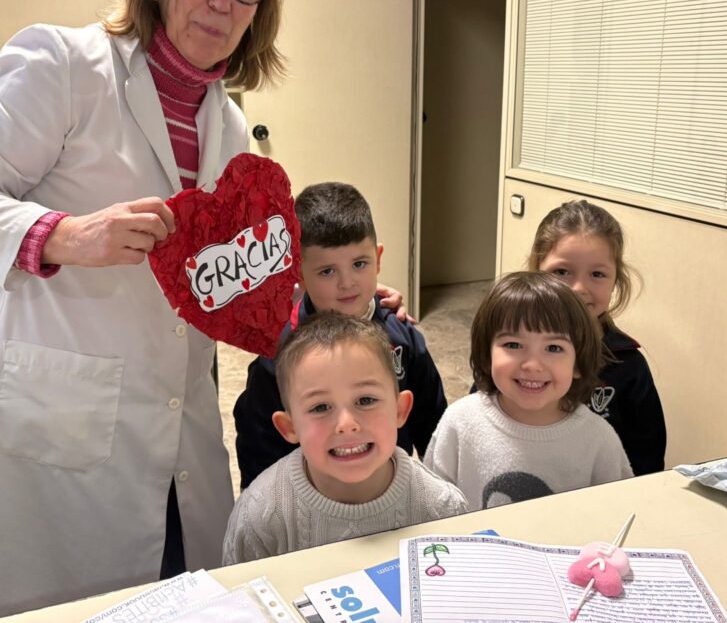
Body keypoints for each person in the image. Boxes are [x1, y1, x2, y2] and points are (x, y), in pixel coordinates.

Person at [0, 0, 293, 622]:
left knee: (181, 591)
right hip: (65, 405)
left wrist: (334, 299)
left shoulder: (231, 125)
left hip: (180, 407)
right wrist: (62, 235)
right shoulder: (64, 65)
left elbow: (228, 274)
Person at [233, 182, 447, 490]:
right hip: (309, 503)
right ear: (299, 275)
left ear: (378, 258)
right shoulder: (277, 358)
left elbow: (434, 426)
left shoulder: (403, 338)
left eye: (359, 264)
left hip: (391, 494)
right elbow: (258, 445)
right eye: (327, 271)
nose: (347, 283)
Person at [222, 313, 468, 564]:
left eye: (366, 400)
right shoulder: (259, 518)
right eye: (320, 407)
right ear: (289, 427)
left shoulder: (443, 509)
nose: (347, 424)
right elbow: (240, 599)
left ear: (400, 410)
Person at [424, 272, 632, 511]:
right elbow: (431, 505)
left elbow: (619, 513)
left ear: (577, 363)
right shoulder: (459, 423)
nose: (533, 364)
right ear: (486, 353)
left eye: (554, 348)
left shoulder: (598, 439)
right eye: (513, 345)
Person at [528, 199, 667, 475]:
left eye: (597, 274)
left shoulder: (628, 365)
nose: (579, 288)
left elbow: (646, 461)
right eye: (562, 272)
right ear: (536, 272)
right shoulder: (507, 350)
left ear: (616, 280)